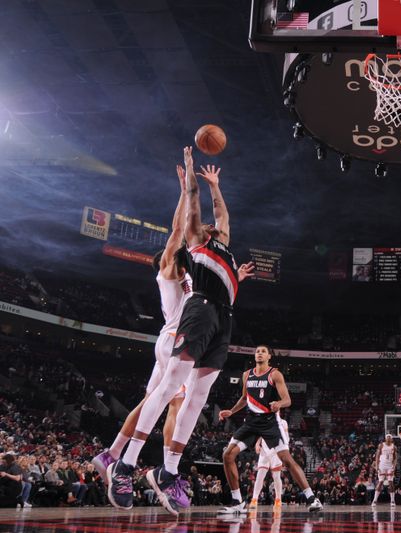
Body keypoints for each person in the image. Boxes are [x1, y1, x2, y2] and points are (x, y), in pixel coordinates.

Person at [108, 147, 255, 516]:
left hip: (224, 319)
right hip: (200, 311)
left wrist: (217, 185)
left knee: (198, 399)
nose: (211, 223)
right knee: (170, 387)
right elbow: (193, 204)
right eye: (206, 223)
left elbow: (222, 212)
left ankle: (168, 470)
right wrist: (190, 173)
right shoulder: (196, 241)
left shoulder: (223, 243)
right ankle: (125, 464)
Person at [92, 163, 191, 482]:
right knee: (177, 405)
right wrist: (185, 192)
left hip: (169, 341)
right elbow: (178, 229)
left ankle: (111, 454)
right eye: (176, 253)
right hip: (177, 342)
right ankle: (167, 472)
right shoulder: (167, 271)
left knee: (152, 403)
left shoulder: (185, 276)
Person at [218, 344, 322, 514]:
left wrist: (279, 404)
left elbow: (287, 400)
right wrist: (231, 411)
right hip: (251, 423)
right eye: (257, 351)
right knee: (227, 455)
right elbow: (245, 398)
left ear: (269, 357)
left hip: (269, 423)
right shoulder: (247, 375)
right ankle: (237, 501)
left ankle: (312, 498)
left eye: (263, 351)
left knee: (287, 460)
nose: (259, 353)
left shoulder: (275, 374)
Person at [249, 421, 288, 511]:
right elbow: (260, 433)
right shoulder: (265, 419)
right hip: (265, 450)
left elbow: (286, 439)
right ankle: (254, 499)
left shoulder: (283, 422)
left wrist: (284, 455)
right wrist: (257, 443)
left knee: (276, 477)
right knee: (259, 476)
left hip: (276, 451)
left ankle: (278, 499)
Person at [371, 434, 397, 507]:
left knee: (391, 482)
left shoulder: (394, 447)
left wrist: (394, 466)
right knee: (380, 482)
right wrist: (376, 465)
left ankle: (392, 500)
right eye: (387, 438)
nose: (388, 439)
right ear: (385, 439)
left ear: (391, 439)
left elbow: (395, 458)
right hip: (382, 465)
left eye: (390, 438)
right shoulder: (381, 445)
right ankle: (374, 500)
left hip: (390, 466)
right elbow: (377, 456)